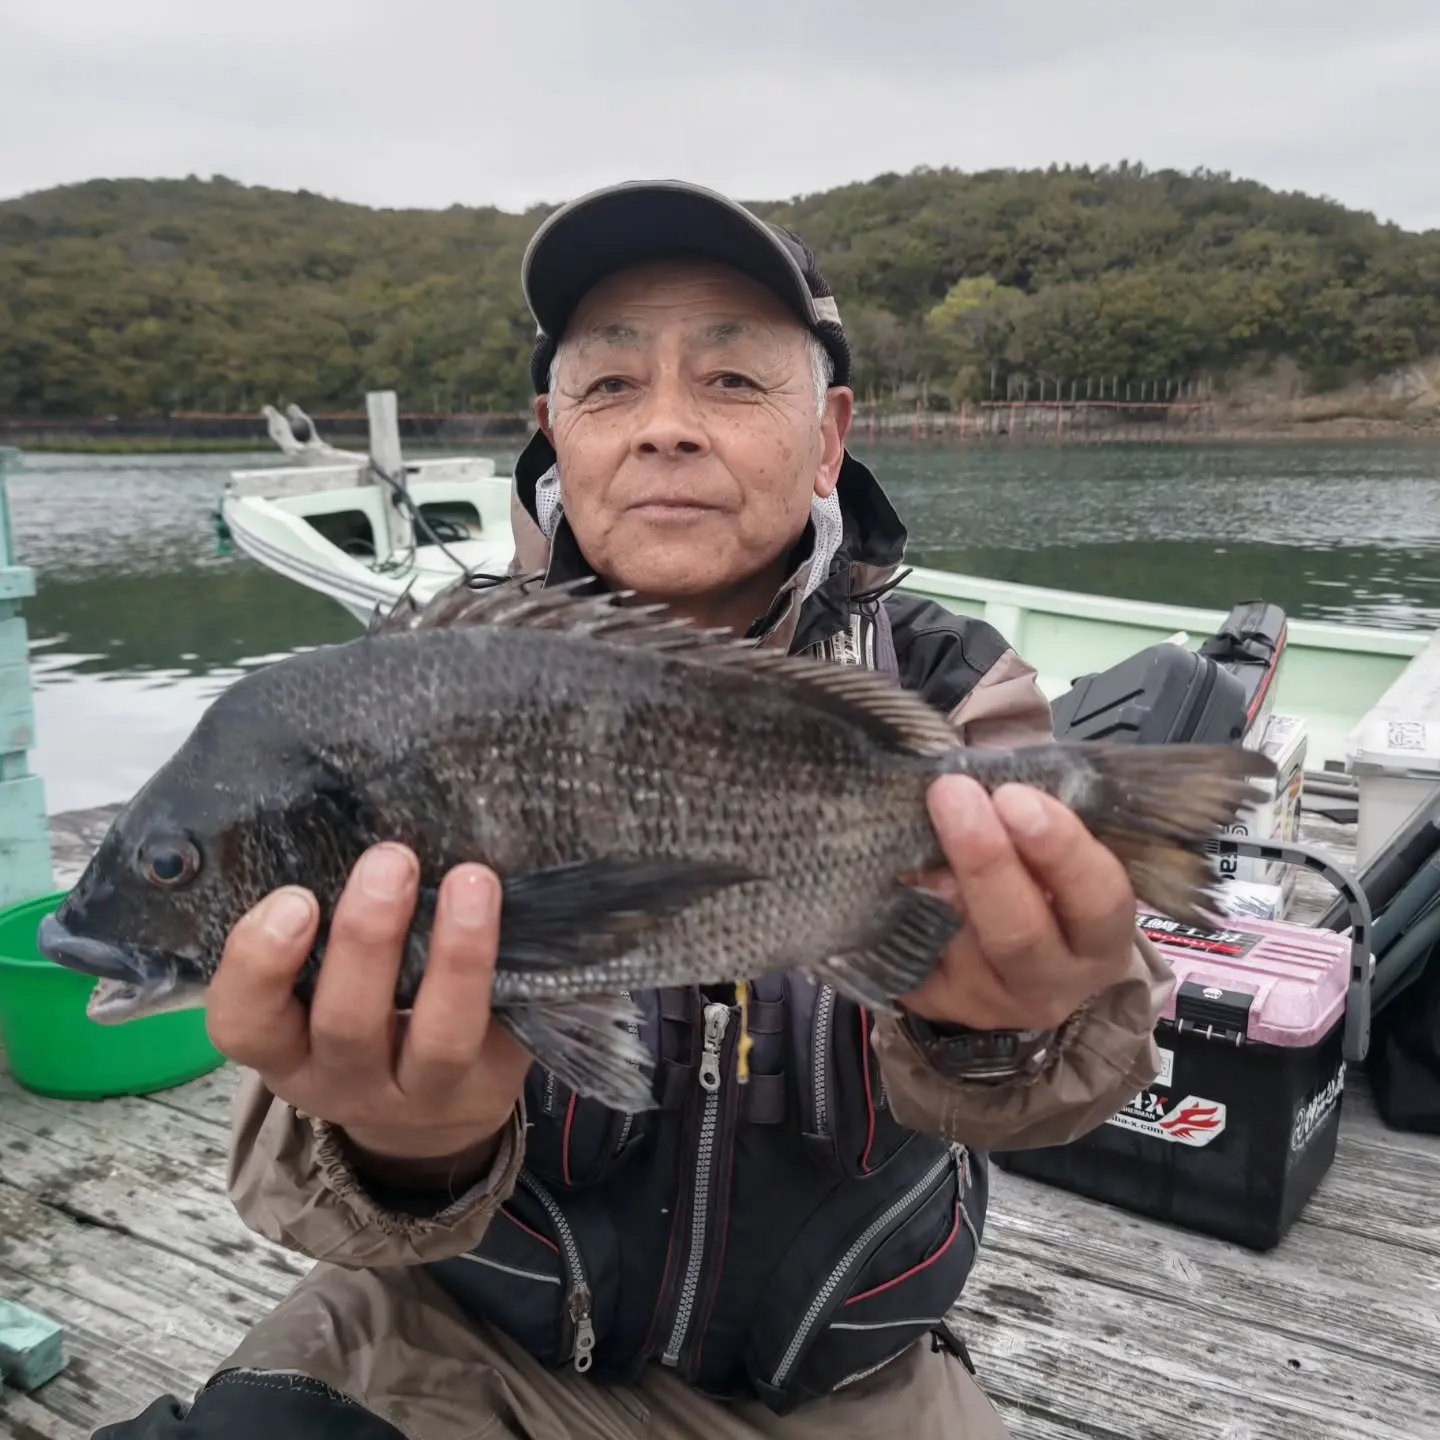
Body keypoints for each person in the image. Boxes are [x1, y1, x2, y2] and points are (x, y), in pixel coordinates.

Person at [98, 180, 1172, 1440]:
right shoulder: (397, 687)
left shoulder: (950, 694)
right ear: (553, 432)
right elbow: (298, 1174)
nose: (665, 427)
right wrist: (405, 1147)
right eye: (610, 385)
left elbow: (1085, 1071)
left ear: (828, 436)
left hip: (850, 1388)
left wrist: (997, 1036)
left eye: (731, 379)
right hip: (456, 1345)